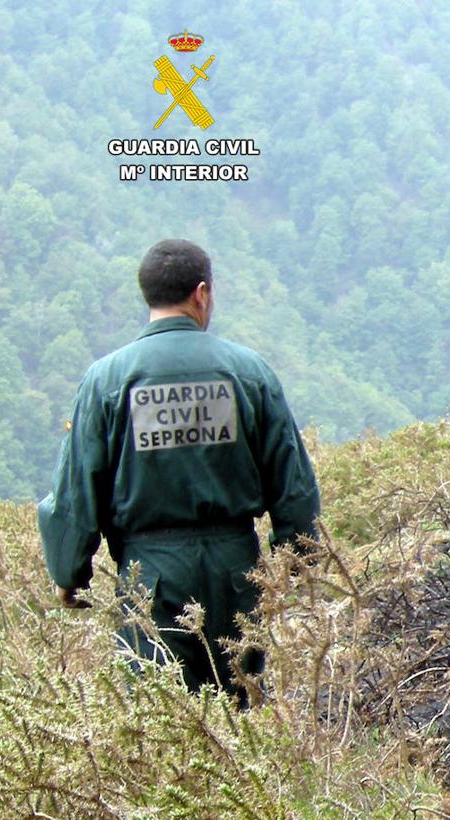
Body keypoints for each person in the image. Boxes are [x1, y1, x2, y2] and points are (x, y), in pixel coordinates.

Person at [37, 239, 321, 702]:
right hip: (236, 570)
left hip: (149, 574)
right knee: (240, 715)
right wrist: (295, 563)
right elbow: (294, 488)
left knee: (161, 715)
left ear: (147, 294)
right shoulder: (249, 372)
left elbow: (75, 495)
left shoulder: (107, 380)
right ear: (202, 293)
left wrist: (70, 574)